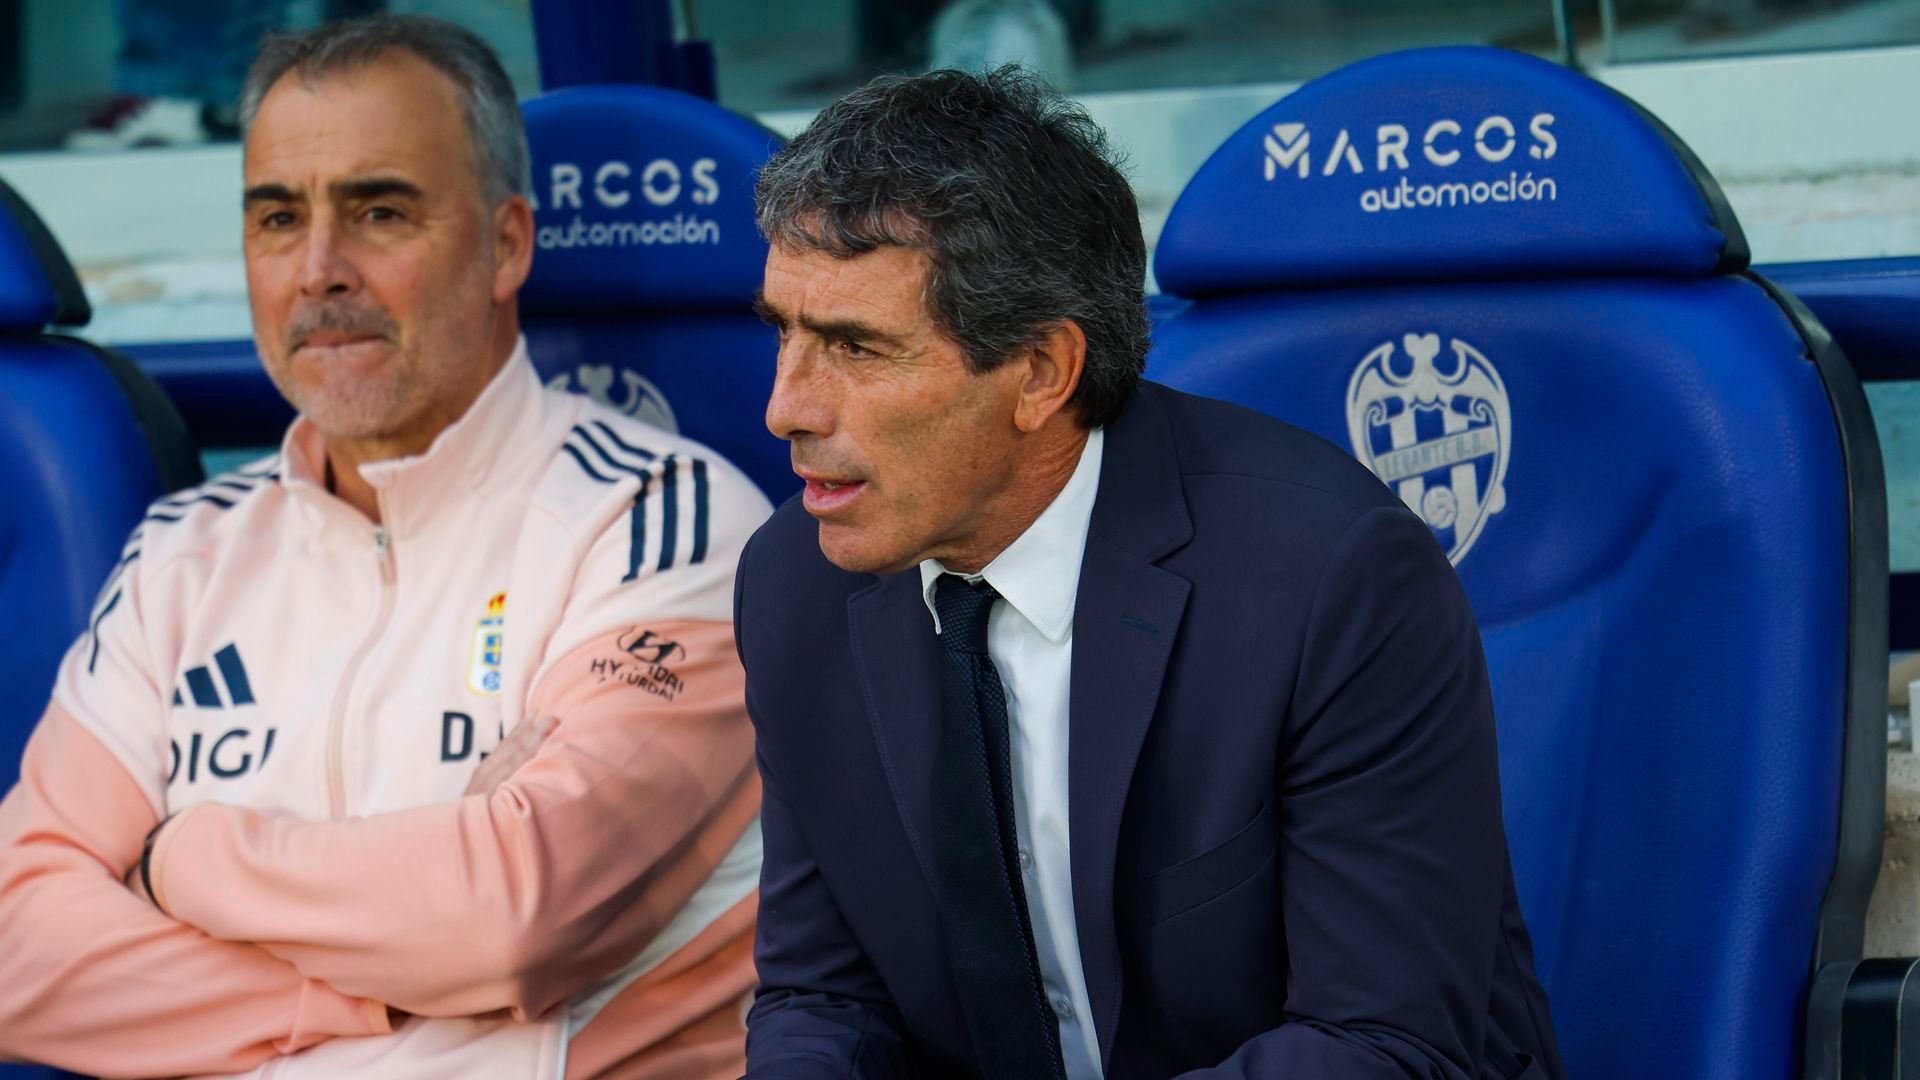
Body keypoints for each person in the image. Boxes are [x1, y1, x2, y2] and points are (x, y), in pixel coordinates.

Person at [737, 66, 1565, 1079]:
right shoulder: (795, 581)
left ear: (1042, 370)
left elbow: (1386, 1046)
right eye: (782, 330)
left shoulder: (1329, 580)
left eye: (856, 348)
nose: (786, 408)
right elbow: (825, 995)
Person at [0, 14, 767, 1078]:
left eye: (379, 211)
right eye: (278, 218)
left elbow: (514, 914)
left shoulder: (660, 520)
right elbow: (16, 944)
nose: (319, 270)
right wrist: (366, 992)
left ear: (507, 244)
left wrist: (176, 860)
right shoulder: (183, 556)